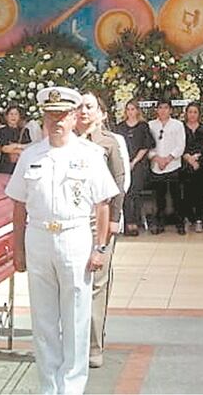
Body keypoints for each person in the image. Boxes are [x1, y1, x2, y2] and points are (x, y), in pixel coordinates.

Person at [5, 86, 118, 395]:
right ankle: (48, 387)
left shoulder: (89, 155)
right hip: (39, 237)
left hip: (75, 237)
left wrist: (100, 247)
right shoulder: (30, 156)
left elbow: (103, 204)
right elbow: (18, 205)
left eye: (63, 115)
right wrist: (17, 250)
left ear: (73, 118)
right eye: (50, 116)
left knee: (76, 317)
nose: (56, 122)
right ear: (43, 118)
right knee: (43, 320)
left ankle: (71, 387)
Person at [75, 92, 126, 369]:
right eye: (80, 106)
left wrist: (115, 218)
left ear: (100, 112)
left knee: (96, 284)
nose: (84, 111)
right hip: (72, 221)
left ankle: (94, 347)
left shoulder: (109, 143)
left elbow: (119, 180)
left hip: (100, 222)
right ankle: (72, 341)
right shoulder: (66, 141)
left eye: (89, 106)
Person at [147, 99, 185, 234]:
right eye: (160, 108)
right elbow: (147, 145)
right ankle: (159, 224)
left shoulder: (178, 125)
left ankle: (180, 224)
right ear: (156, 110)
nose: (163, 110)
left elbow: (181, 146)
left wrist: (168, 159)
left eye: (166, 108)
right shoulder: (150, 125)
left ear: (170, 110)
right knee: (159, 197)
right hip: (156, 166)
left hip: (173, 165)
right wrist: (157, 159)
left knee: (176, 197)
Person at [115, 100, 153, 235]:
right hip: (123, 165)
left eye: (133, 109)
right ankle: (127, 222)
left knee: (135, 194)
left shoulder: (143, 126)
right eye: (128, 109)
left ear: (137, 111)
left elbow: (145, 146)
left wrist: (134, 162)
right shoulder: (120, 127)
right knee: (125, 194)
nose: (130, 112)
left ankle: (135, 222)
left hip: (138, 165)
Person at [180, 103, 203, 233]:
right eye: (190, 112)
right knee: (186, 193)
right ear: (186, 114)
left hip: (201, 164)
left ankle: (199, 220)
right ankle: (188, 218)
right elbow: (179, 144)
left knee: (200, 193)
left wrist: (197, 158)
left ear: (199, 114)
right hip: (185, 164)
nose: (192, 115)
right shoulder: (181, 127)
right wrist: (189, 158)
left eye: (195, 112)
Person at [0, 105, 32, 174]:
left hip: (21, 164)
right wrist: (20, 148)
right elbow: (5, 148)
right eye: (11, 114)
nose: (13, 117)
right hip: (6, 165)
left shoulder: (25, 131)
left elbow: (27, 147)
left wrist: (14, 146)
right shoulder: (1, 130)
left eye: (16, 114)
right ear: (6, 116)